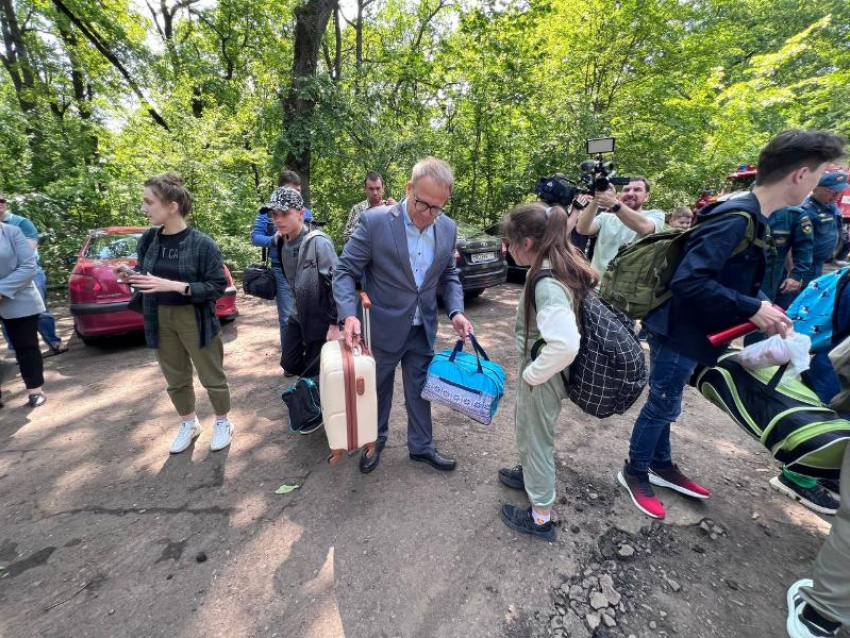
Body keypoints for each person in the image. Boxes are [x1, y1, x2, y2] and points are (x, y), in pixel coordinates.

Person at [618, 129, 846, 520]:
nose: (822, 186)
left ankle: (660, 463)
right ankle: (635, 471)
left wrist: (762, 305)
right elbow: (688, 281)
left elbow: (728, 277)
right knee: (661, 404)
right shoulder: (736, 217)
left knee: (668, 402)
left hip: (693, 333)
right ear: (801, 173)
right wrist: (751, 308)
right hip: (678, 331)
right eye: (820, 174)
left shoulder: (753, 215)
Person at [333, 157, 474, 474]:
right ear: (409, 189)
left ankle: (421, 447)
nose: (430, 215)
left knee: (421, 387)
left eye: (438, 208)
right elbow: (344, 271)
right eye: (424, 205)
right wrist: (347, 315)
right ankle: (374, 442)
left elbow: (449, 275)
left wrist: (456, 311)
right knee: (378, 389)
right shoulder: (375, 222)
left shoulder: (447, 227)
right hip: (382, 327)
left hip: (421, 326)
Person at [116, 173, 234, 454]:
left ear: (172, 206)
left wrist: (176, 286)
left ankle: (222, 422)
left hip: (194, 318)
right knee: (175, 378)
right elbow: (146, 274)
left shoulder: (202, 244)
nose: (144, 208)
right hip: (159, 316)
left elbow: (217, 286)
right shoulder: (149, 239)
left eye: (149, 202)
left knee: (211, 375)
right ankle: (189, 423)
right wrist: (130, 276)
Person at [497, 202, 595, 541]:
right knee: (527, 427)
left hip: (545, 377)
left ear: (526, 243)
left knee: (538, 440)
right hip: (541, 374)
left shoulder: (547, 282)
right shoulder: (549, 265)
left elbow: (566, 344)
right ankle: (529, 478)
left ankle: (540, 517)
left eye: (508, 242)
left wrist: (533, 375)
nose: (505, 249)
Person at [266, 187, 339, 410]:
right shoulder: (280, 242)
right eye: (274, 214)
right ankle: (313, 391)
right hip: (298, 313)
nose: (278, 219)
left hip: (320, 316)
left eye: (284, 213)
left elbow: (337, 283)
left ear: (300, 213)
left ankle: (320, 409)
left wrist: (337, 323)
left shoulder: (319, 242)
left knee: (314, 369)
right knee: (290, 361)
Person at [250, 170, 313, 362]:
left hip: (304, 267)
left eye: (298, 191)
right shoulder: (267, 213)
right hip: (280, 268)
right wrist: (273, 239)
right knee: (287, 316)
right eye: (292, 191)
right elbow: (255, 237)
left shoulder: (305, 212)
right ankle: (290, 357)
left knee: (308, 311)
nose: (296, 196)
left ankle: (308, 352)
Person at [0, 194, 67, 356]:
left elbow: (27, 253)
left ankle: (53, 342)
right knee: (5, 315)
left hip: (29, 274)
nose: (0, 204)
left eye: (1, 200)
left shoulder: (21, 223)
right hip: (4, 277)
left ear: (6, 203)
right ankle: (16, 351)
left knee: (40, 311)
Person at [575, 177, 665, 275]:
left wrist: (613, 203)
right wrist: (597, 198)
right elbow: (582, 229)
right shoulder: (605, 217)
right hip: (596, 285)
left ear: (647, 196)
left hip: (628, 287)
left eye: (637, 190)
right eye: (626, 190)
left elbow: (646, 228)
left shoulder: (655, 215)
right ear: (619, 195)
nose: (630, 193)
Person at [0, 221, 47, 407]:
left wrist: (1, 290)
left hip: (19, 297)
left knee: (26, 346)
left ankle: (35, 391)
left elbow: (28, 266)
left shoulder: (12, 232)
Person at [800, 172, 848, 284]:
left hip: (821, 263)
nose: (836, 196)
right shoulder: (805, 211)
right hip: (806, 265)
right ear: (815, 188)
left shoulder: (832, 206)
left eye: (840, 192)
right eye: (831, 191)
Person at [342, 171, 396, 243]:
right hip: (363, 253)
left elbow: (404, 235)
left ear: (383, 189)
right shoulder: (357, 209)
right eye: (371, 189)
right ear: (365, 189)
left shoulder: (391, 208)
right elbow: (346, 237)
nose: (375, 193)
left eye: (378, 188)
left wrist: (398, 212)